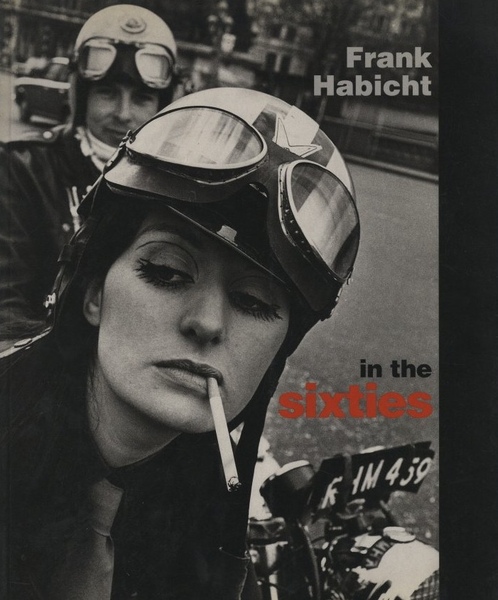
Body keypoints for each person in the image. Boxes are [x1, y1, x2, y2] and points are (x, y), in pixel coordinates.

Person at [0, 87, 360, 599]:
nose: (208, 323)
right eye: (167, 271)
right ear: (94, 292)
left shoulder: (214, 519)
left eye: (254, 301)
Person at [0, 4, 179, 331]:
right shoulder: (24, 168)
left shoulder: (179, 186)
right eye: (107, 93)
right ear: (80, 97)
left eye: (142, 98)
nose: (123, 114)